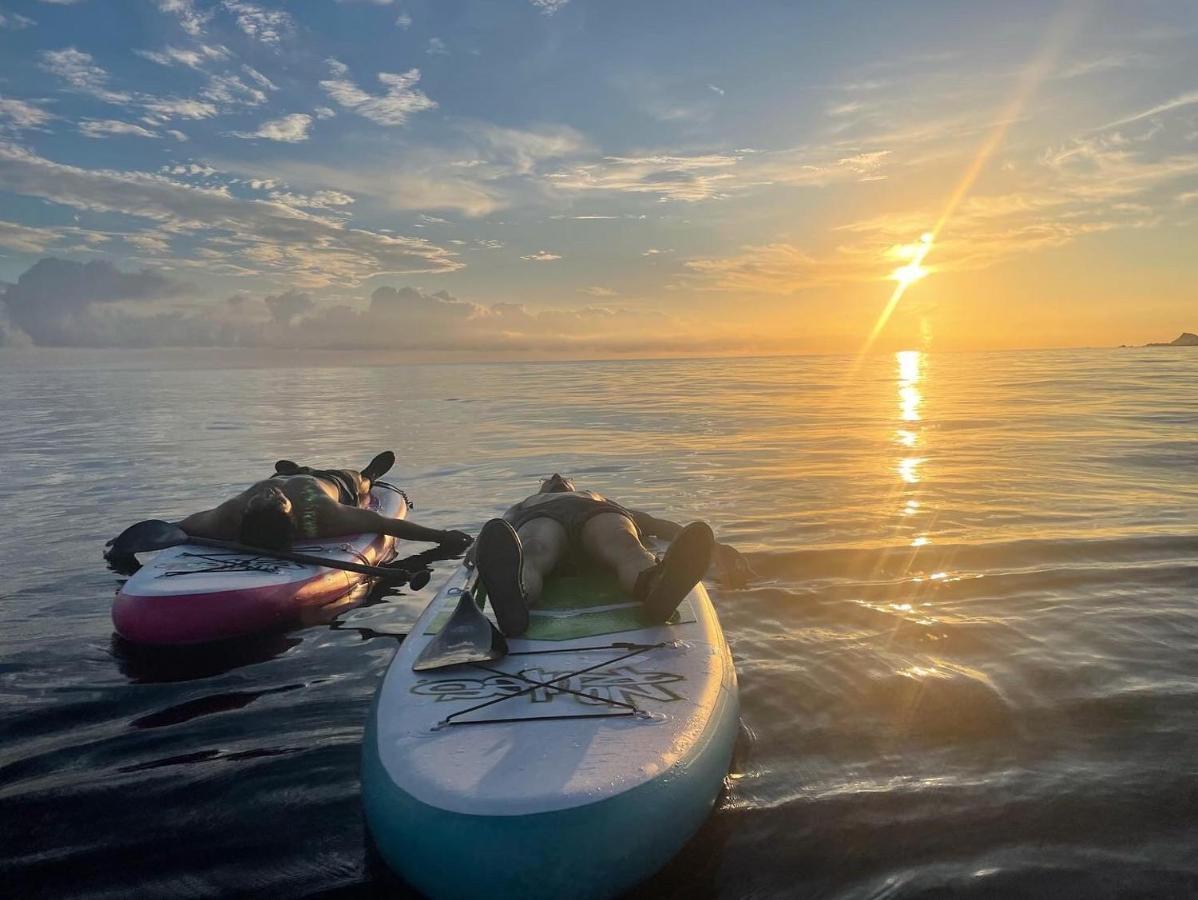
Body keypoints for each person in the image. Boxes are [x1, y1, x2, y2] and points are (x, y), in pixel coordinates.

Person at [474, 473, 753, 636]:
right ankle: (515, 593)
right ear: (543, 488)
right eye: (550, 481)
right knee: (532, 548)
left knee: (625, 544)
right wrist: (477, 552)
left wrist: (712, 547)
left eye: (563, 479)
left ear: (572, 486)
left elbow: (654, 524)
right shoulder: (527, 503)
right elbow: (500, 536)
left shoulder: (598, 498)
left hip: (595, 516)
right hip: (544, 517)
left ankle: (656, 587)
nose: (557, 478)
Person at [177, 451, 472, 552]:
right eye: (269, 500)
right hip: (304, 483)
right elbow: (172, 528)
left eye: (271, 497)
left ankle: (368, 474)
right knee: (292, 479)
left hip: (334, 485)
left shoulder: (323, 513)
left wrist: (443, 537)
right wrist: (130, 548)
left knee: (357, 483)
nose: (268, 494)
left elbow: (385, 524)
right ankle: (295, 472)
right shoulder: (230, 515)